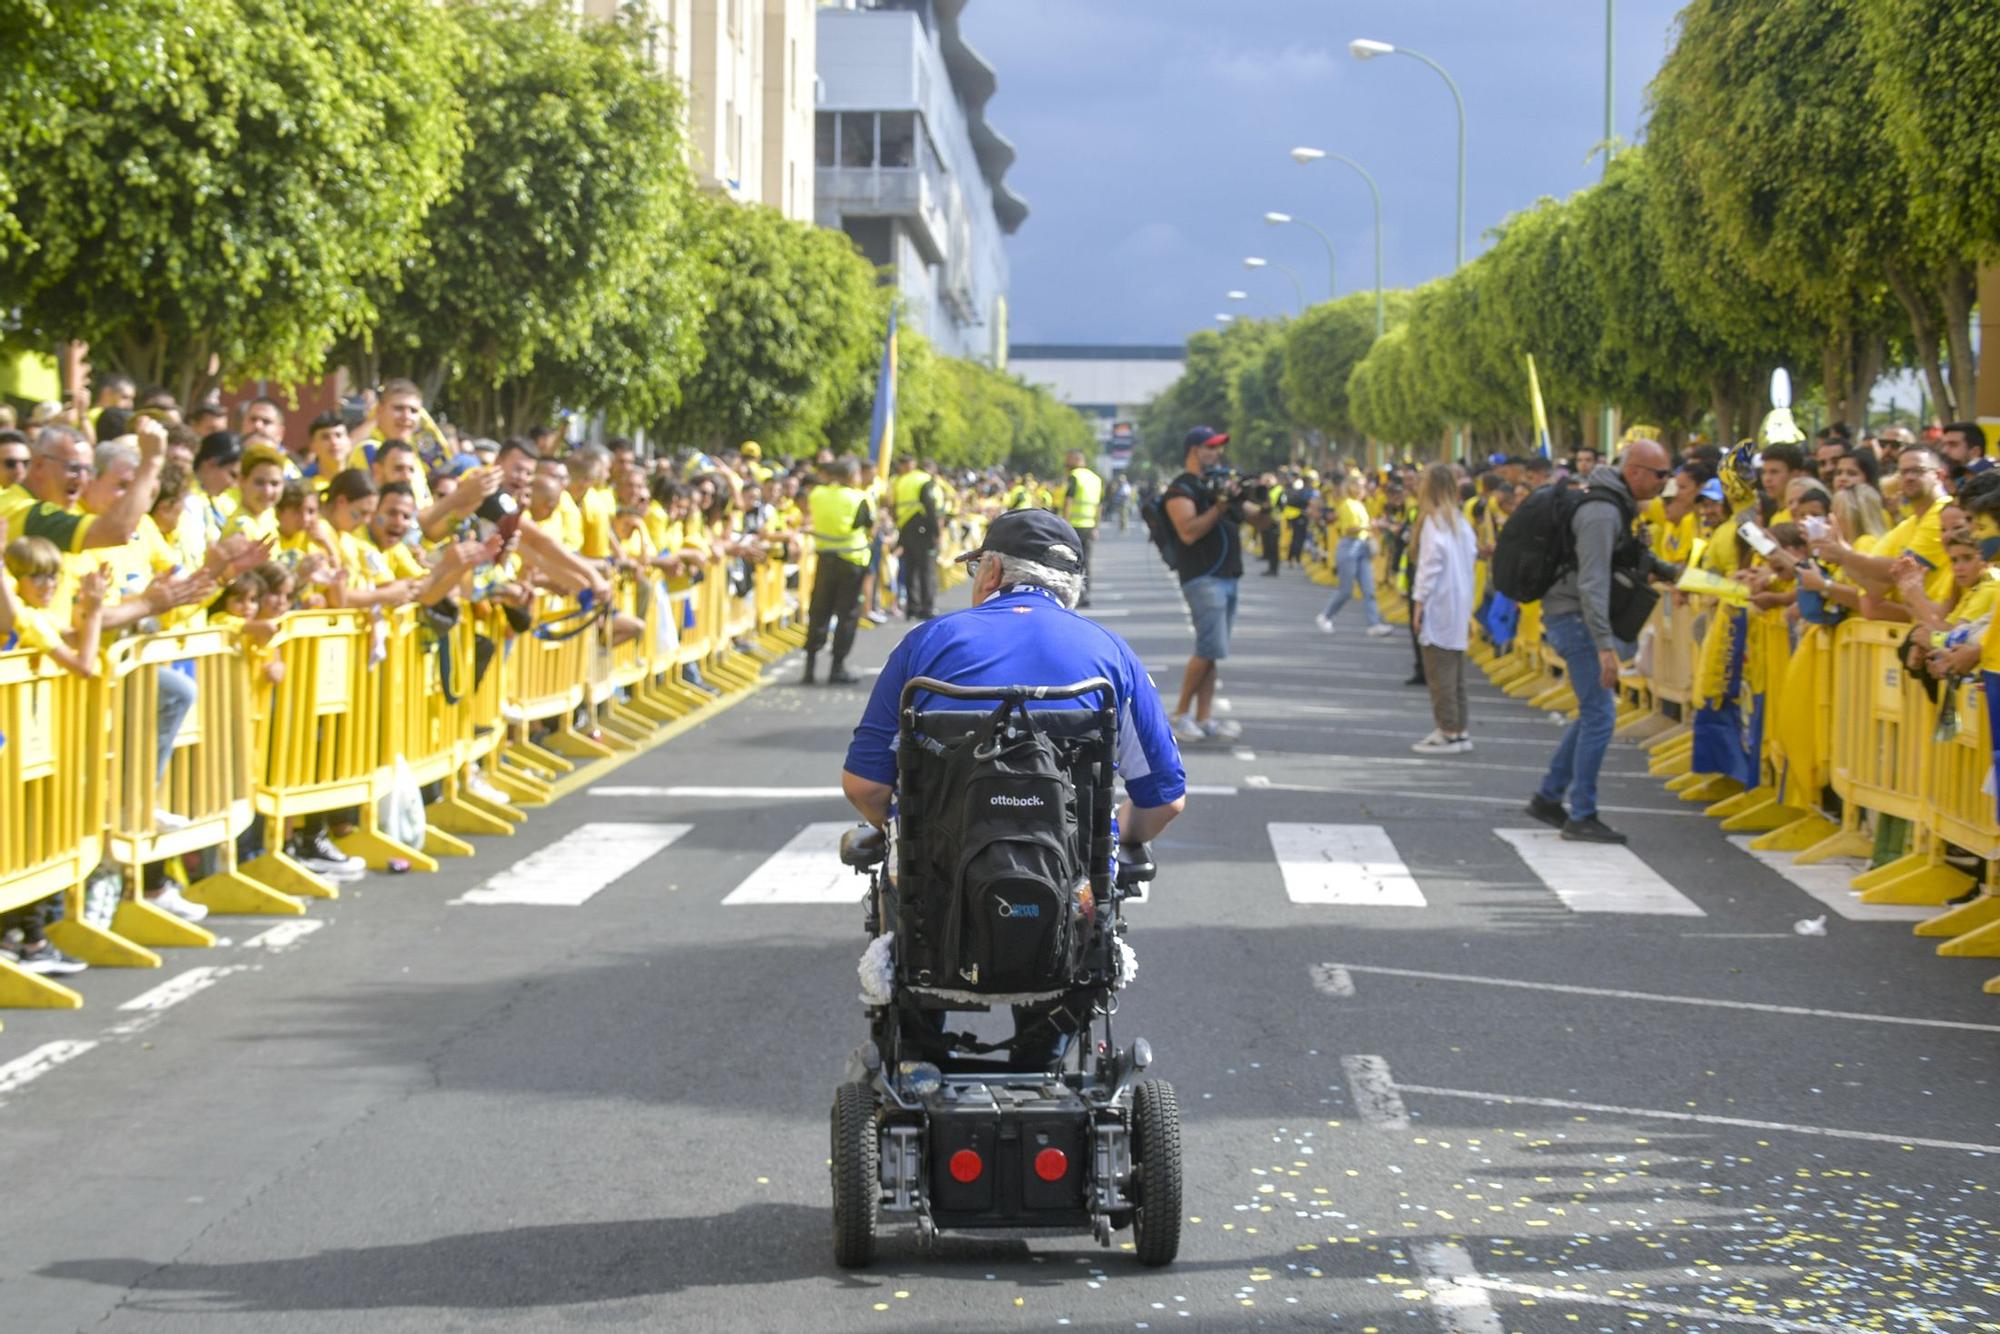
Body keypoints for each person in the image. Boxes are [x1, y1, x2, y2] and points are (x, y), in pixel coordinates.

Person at [841, 509, 1186, 1062]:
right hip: (1066, 906)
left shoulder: (927, 645)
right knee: (1081, 902)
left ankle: (925, 1061)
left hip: (938, 901)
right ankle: (1042, 1057)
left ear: (993, 571)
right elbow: (1164, 800)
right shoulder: (1110, 656)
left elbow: (865, 785)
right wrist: (1103, 834)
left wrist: (921, 829)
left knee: (902, 902)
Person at [1526, 438, 1673, 844]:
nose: (1666, 482)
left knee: (1593, 712)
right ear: (1636, 471)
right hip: (1575, 619)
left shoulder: (1613, 504)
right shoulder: (1602, 512)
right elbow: (1592, 583)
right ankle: (1582, 813)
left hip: (1574, 616)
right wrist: (1605, 646)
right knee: (1600, 716)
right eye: (1661, 475)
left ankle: (1550, 796)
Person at [1410, 463, 1477, 755]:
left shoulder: (1433, 521)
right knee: (1456, 669)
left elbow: (1429, 564)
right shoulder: (1460, 521)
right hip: (1460, 600)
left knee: (1439, 671)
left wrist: (1419, 601)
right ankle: (1459, 729)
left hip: (1439, 601)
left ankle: (1447, 729)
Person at [802, 457, 873, 686]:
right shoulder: (860, 498)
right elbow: (868, 525)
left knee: (819, 611)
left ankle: (810, 667)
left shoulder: (817, 494)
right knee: (847, 614)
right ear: (852, 476)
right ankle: (837, 667)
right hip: (852, 560)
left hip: (825, 559)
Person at [1315, 475, 1392, 637]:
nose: (1364, 489)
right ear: (1352, 487)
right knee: (1346, 590)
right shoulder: (1347, 505)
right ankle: (1325, 616)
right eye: (1361, 486)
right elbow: (1349, 529)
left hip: (1362, 546)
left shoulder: (1359, 504)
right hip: (1349, 546)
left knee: (1368, 588)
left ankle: (1374, 624)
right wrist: (1372, 525)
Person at [890, 454, 940, 620]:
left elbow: (893, 506)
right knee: (926, 569)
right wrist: (935, 532)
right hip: (922, 526)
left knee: (910, 569)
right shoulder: (924, 480)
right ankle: (927, 607)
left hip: (905, 527)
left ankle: (912, 607)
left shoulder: (900, 481)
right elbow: (930, 507)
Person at [1054, 449, 1103, 606]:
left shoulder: (1074, 477)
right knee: (1086, 561)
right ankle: (1085, 594)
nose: (1065, 464)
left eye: (1067, 461)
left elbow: (1068, 501)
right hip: (1089, 526)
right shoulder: (1095, 479)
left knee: (1069, 561)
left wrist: (1064, 524)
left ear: (1076, 460)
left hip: (1073, 526)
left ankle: (1071, 595)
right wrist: (1096, 526)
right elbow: (1099, 506)